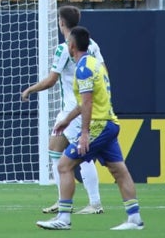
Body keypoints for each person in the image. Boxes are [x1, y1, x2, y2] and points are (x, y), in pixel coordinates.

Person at [36, 26, 143, 231]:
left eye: (68, 43)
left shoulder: (83, 69)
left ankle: (64, 217)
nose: (67, 45)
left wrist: (84, 133)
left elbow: (87, 104)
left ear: (73, 46)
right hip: (110, 123)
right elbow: (85, 101)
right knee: (119, 171)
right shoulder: (95, 64)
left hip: (99, 125)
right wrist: (67, 119)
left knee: (64, 165)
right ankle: (134, 218)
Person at [21, 5, 104, 216]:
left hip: (75, 110)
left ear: (61, 22)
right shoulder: (92, 44)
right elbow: (103, 71)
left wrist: (30, 89)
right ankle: (63, 199)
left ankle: (94, 203)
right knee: (55, 149)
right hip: (80, 106)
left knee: (82, 155)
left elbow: (51, 80)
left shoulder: (64, 48)